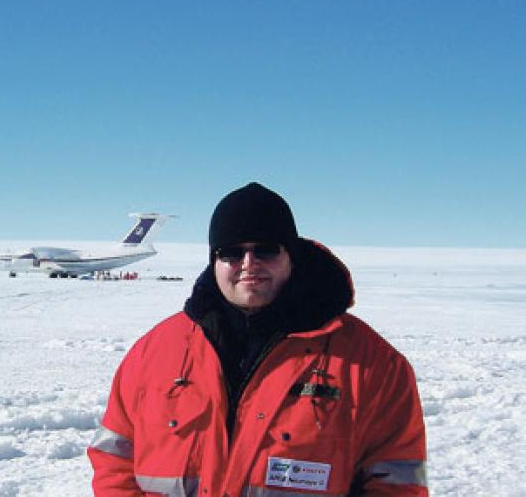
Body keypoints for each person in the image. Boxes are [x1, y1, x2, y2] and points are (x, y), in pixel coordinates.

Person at [88, 182, 428, 496]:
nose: (248, 264)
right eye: (231, 253)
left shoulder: (371, 365)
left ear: (291, 256)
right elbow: (114, 460)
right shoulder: (155, 351)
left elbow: (397, 484)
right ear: (214, 261)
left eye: (265, 250)